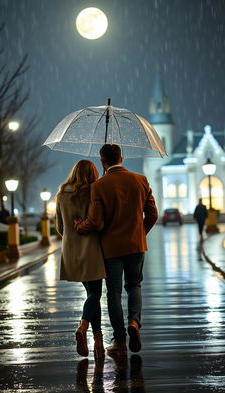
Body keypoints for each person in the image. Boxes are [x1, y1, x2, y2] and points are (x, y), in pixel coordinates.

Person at [75, 144, 158, 355]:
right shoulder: (140, 180)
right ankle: (134, 323)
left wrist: (78, 226)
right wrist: (139, 234)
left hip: (111, 249)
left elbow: (94, 221)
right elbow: (153, 214)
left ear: (102, 161)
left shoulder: (99, 186)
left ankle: (120, 341)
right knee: (134, 285)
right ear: (122, 157)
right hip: (136, 245)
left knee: (114, 293)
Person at [55, 160, 106, 359]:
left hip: (71, 249)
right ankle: (84, 326)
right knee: (95, 294)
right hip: (92, 247)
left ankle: (98, 341)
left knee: (91, 294)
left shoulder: (61, 194)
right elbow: (99, 224)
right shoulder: (93, 192)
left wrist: (71, 233)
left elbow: (60, 228)